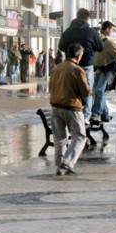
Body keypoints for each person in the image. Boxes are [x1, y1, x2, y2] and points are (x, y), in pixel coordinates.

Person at [49, 42, 92, 176]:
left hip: (55, 106)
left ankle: (59, 167)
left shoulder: (56, 68)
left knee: (60, 138)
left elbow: (51, 87)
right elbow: (85, 92)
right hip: (72, 107)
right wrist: (91, 91)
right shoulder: (77, 70)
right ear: (78, 56)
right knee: (79, 136)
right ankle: (67, 162)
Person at [57, 8, 103, 124]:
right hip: (87, 65)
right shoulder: (91, 32)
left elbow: (61, 46)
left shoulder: (68, 31)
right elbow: (100, 47)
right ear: (87, 18)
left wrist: (71, 49)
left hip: (71, 65)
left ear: (77, 16)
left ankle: (72, 113)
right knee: (87, 90)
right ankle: (85, 117)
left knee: (71, 90)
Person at [91, 21, 116, 126]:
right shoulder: (100, 42)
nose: (112, 32)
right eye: (112, 29)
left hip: (107, 70)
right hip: (98, 70)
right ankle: (105, 114)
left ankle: (95, 114)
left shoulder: (109, 43)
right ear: (107, 29)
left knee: (99, 91)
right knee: (96, 92)